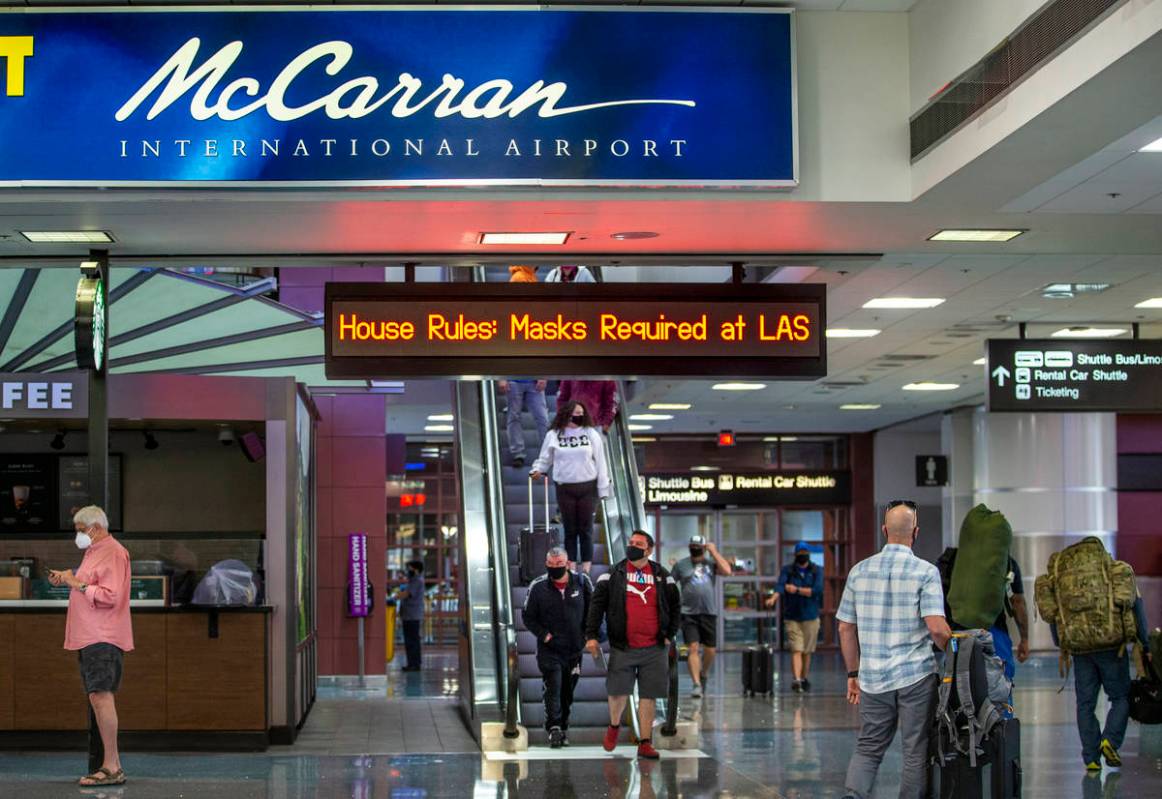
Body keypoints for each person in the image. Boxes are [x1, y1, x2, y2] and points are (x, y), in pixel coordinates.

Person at [837, 501, 951, 799]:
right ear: (916, 532)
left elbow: (845, 628)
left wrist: (853, 673)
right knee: (915, 750)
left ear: (884, 530)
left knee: (869, 747)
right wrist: (955, 650)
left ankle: (853, 795)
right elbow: (937, 628)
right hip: (916, 677)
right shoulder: (925, 572)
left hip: (873, 679)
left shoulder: (859, 572)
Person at [48, 505, 132, 787]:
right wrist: (70, 578)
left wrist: (77, 583)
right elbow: (88, 584)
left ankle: (111, 766)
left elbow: (111, 596)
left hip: (103, 635)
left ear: (95, 527)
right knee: (97, 696)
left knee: (101, 696)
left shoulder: (114, 552)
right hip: (90, 636)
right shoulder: (93, 552)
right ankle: (113, 765)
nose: (79, 536)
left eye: (80, 531)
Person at [585, 530, 682, 760]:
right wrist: (591, 635)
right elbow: (596, 605)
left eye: (638, 544)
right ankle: (614, 725)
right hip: (623, 646)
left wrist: (670, 634)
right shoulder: (614, 573)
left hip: (654, 647)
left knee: (649, 695)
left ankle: (645, 742)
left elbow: (676, 605)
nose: (632, 546)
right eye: (631, 543)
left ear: (649, 550)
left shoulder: (661, 574)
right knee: (617, 691)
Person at [1048, 573, 1151, 771]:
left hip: (1081, 649)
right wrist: (1145, 645)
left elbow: (1054, 610)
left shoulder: (1069, 576)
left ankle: (1091, 759)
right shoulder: (1117, 573)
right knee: (1120, 696)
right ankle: (1110, 741)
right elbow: (1137, 607)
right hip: (1112, 647)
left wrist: (1060, 642)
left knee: (1085, 704)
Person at [522, 547, 593, 748]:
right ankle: (553, 728)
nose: (555, 568)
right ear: (546, 565)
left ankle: (563, 726)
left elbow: (593, 609)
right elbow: (527, 616)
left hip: (574, 649)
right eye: (551, 565)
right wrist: (544, 635)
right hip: (550, 649)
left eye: (559, 565)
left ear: (568, 564)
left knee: (567, 690)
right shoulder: (537, 587)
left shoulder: (581, 582)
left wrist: (589, 634)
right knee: (553, 685)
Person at [530, 401, 610, 574]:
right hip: (564, 487)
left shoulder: (591, 433)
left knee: (586, 528)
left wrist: (603, 488)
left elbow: (601, 462)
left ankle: (587, 567)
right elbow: (545, 459)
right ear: (567, 414)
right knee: (570, 529)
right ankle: (572, 566)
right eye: (576, 413)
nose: (579, 416)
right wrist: (536, 470)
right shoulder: (554, 434)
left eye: (582, 413)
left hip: (588, 486)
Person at [671, 534, 732, 699]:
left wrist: (714, 552)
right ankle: (696, 684)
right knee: (693, 648)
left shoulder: (711, 564)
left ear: (704, 548)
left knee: (710, 650)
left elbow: (727, 571)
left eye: (699, 546)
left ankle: (703, 674)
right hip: (688, 613)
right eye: (693, 546)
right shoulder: (681, 565)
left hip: (708, 612)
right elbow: (670, 583)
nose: (695, 549)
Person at [766, 541, 826, 693]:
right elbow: (780, 586)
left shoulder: (817, 570)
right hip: (792, 616)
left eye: (804, 553)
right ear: (795, 555)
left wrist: (796, 589)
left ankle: (804, 677)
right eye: (800, 554)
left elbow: (816, 591)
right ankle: (797, 679)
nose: (802, 556)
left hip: (811, 616)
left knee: (807, 651)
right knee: (796, 649)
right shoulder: (788, 570)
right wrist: (773, 598)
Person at [498, 378, 548, 467]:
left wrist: (543, 376)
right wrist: (501, 378)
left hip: (534, 380)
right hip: (512, 380)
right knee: (513, 417)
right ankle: (517, 453)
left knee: (542, 417)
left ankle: (549, 451)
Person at [398, 560, 425, 672]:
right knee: (411, 640)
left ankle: (414, 664)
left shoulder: (417, 581)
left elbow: (408, 594)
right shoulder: (412, 580)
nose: (408, 570)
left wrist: (395, 597)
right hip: (409, 615)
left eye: (410, 568)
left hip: (412, 616)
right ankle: (413, 663)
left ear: (416, 569)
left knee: (412, 641)